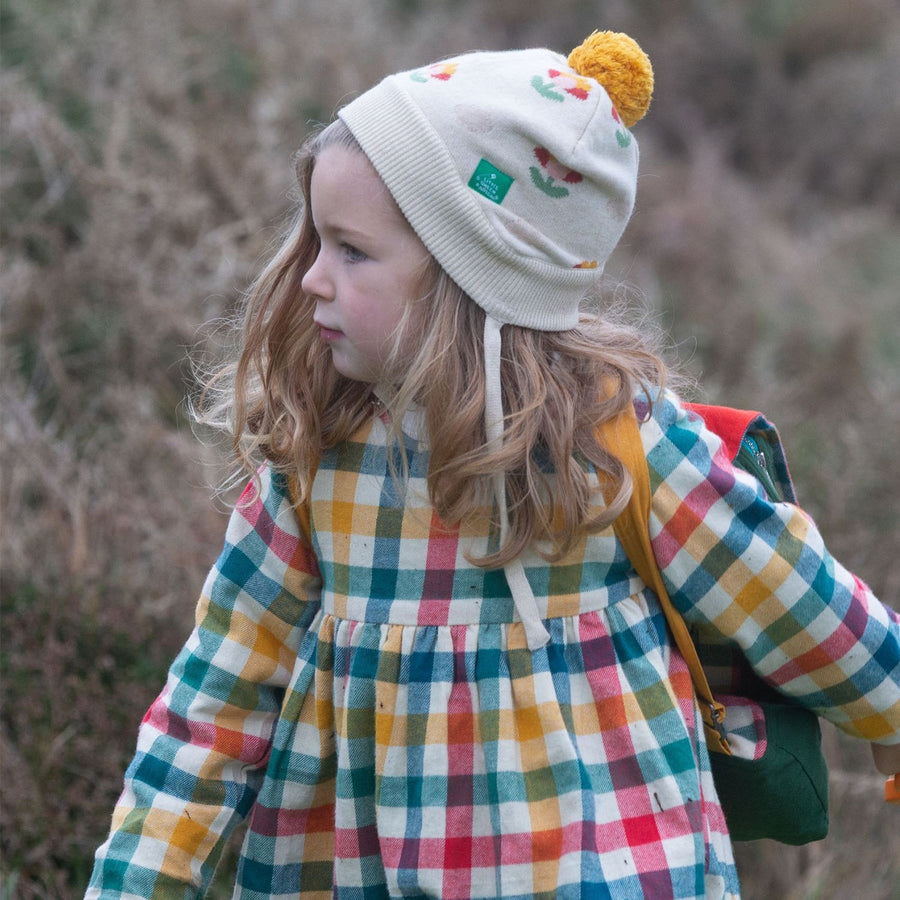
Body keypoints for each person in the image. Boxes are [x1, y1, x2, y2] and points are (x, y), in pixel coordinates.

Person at [86, 30, 900, 900]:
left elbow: (782, 587)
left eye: (351, 251)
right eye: (316, 242)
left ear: (472, 275)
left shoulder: (615, 445)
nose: (310, 280)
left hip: (603, 868)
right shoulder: (314, 461)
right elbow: (215, 700)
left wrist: (888, 705)